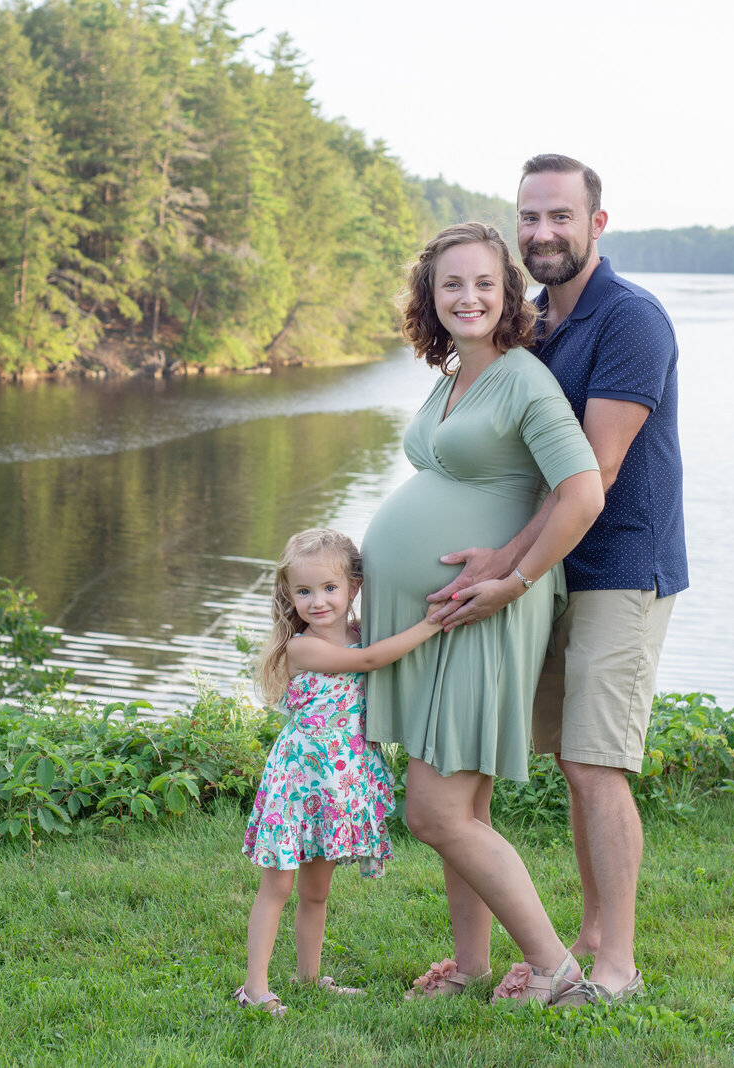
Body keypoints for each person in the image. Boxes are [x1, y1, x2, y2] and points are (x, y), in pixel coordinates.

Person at [429, 155, 686, 1005]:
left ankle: (615, 969)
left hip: (618, 567)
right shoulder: (535, 323)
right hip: (550, 574)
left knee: (596, 762)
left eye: (560, 218)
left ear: (596, 225)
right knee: (567, 760)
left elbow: (596, 473)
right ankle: (585, 938)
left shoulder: (631, 322)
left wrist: (508, 567)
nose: (542, 234)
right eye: (529, 218)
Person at [362, 222, 605, 1006]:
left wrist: (514, 578)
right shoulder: (454, 378)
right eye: (450, 285)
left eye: (483, 284)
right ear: (430, 300)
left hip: (486, 616)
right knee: (462, 806)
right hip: (442, 621)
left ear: (507, 295)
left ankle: (554, 969)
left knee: (434, 810)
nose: (467, 297)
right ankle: (468, 965)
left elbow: (582, 491)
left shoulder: (524, 379)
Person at [236, 528, 442, 1016]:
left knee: (316, 891)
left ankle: (308, 979)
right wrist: (432, 624)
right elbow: (370, 661)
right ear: (288, 595)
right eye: (303, 591)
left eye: (329, 588)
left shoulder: (359, 631)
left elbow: (374, 647)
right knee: (279, 886)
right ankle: (254, 988)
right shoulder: (303, 648)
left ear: (353, 585)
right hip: (299, 780)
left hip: (336, 783)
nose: (317, 601)